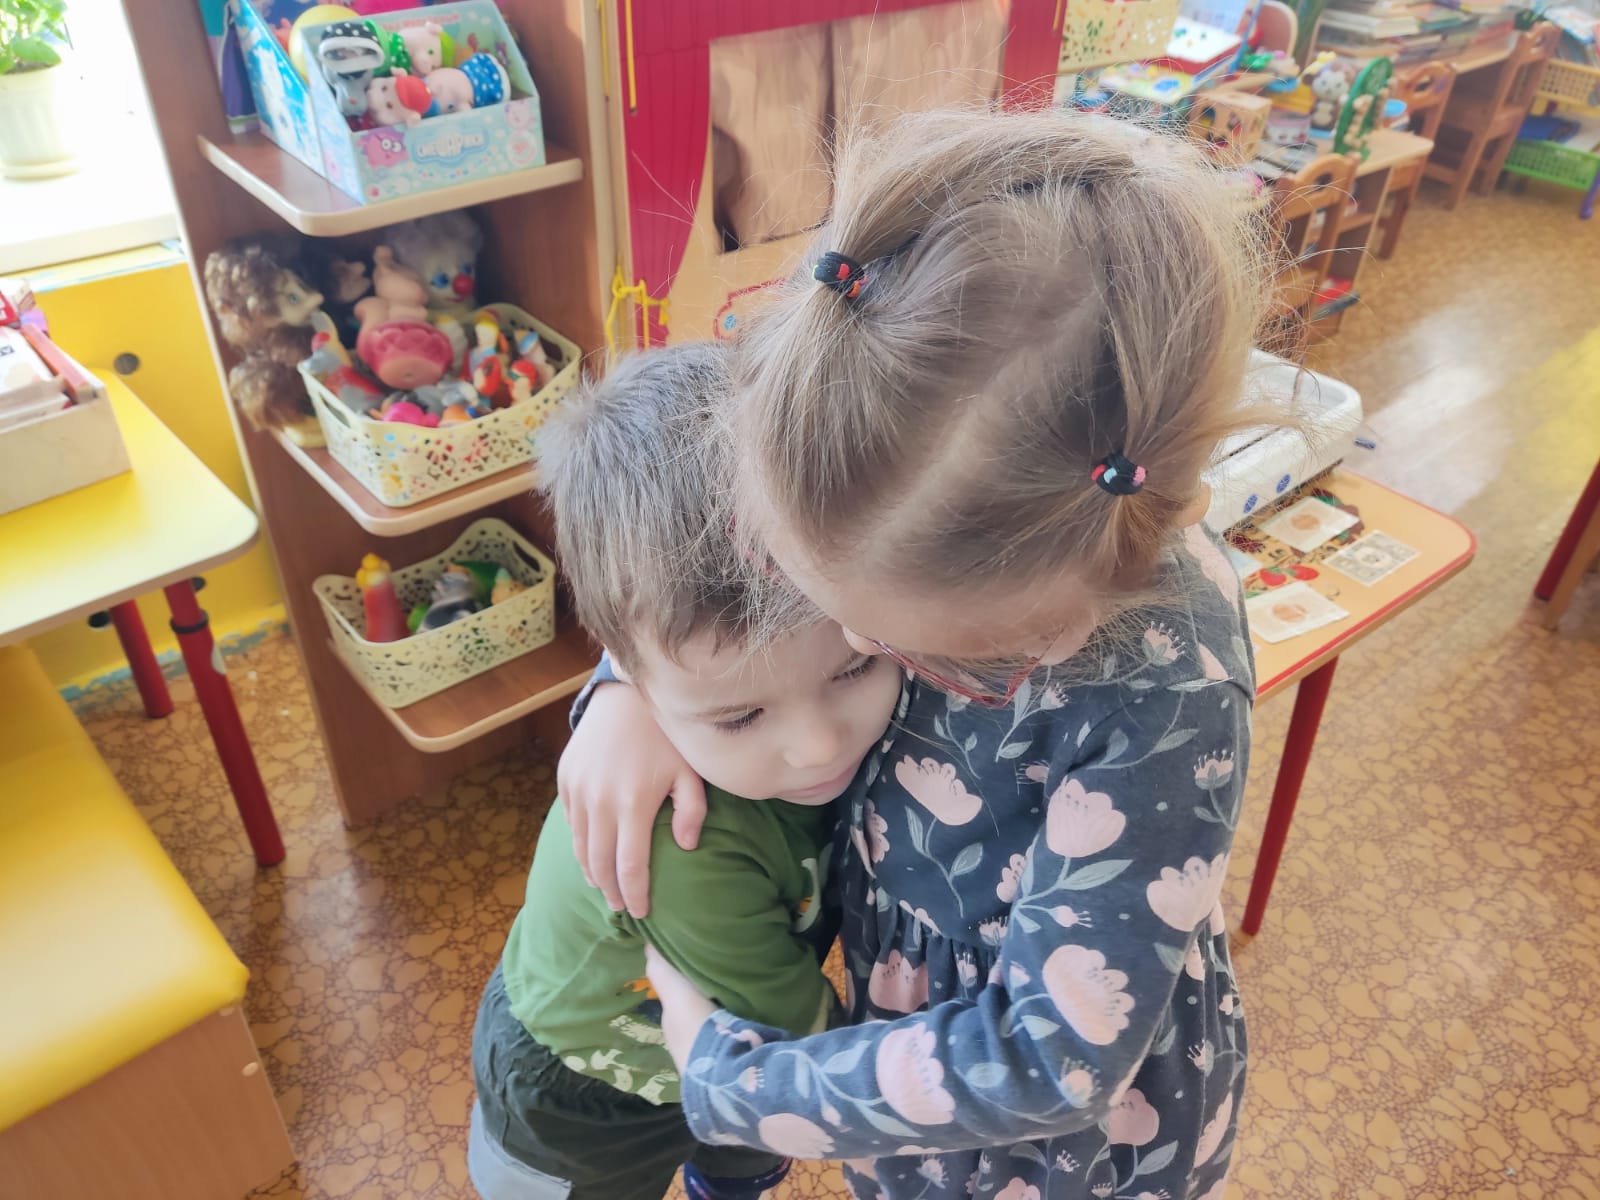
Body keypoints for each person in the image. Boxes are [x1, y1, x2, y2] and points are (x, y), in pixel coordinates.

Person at [558, 109, 1277, 1200]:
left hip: (1063, 1148)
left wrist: (738, 1084)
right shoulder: (843, 446)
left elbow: (1055, 1060)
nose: (849, 644)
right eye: (830, 607)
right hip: (908, 1056)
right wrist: (623, 692)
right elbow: (674, 581)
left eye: (914, 650)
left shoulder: (1167, 689)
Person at [469, 344, 903, 1200]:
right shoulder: (688, 845)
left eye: (855, 666)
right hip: (583, 1091)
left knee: (739, 1156)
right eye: (740, 717)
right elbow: (800, 1048)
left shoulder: (762, 664)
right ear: (635, 675)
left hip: (722, 1048)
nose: (819, 746)